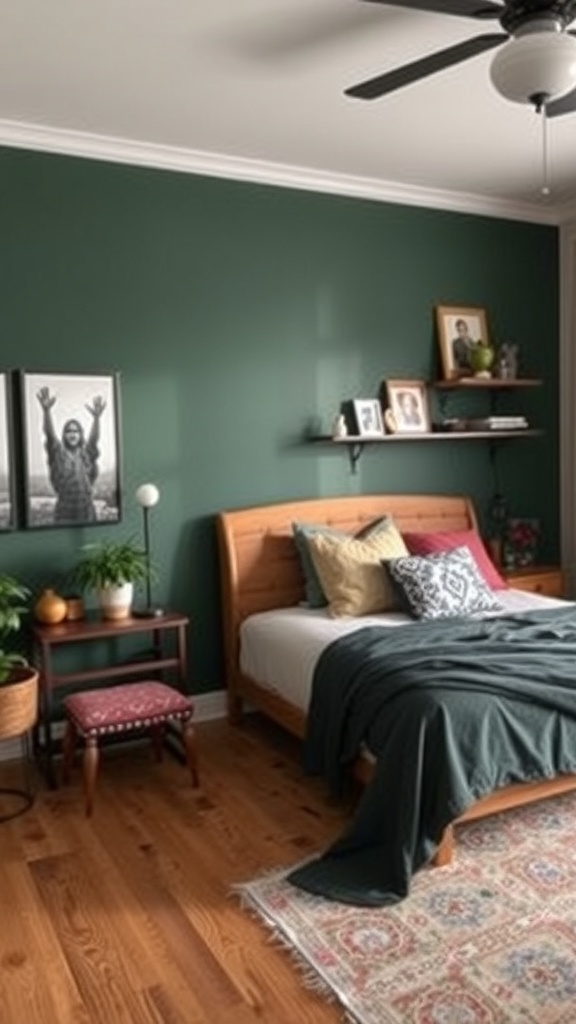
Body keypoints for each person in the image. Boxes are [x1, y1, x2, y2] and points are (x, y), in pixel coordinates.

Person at [36, 386, 106, 523]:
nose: (72, 434)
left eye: (76, 431)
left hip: (86, 510)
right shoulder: (58, 453)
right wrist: (46, 411)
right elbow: (49, 435)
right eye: (69, 431)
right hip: (64, 510)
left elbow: (93, 440)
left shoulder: (85, 454)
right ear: (64, 435)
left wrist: (97, 418)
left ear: (80, 435)